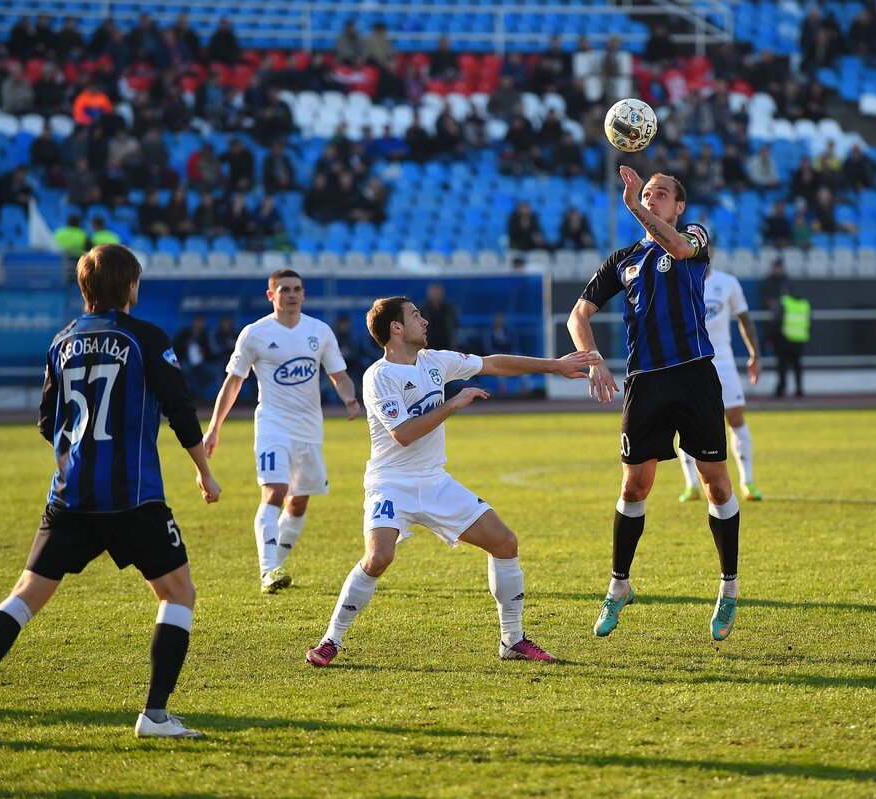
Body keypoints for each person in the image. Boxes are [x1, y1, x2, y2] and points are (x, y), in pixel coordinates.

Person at [0, 244, 221, 737]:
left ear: (84, 286)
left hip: (69, 496)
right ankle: (154, 716)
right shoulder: (146, 337)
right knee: (178, 594)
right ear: (130, 286)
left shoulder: (61, 341)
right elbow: (179, 407)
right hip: (133, 497)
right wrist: (205, 472)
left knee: (24, 596)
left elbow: (48, 422)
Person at [305, 297, 600, 667]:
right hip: (390, 484)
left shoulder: (434, 362)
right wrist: (454, 403)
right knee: (379, 557)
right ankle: (331, 640)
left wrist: (554, 366)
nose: (425, 321)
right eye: (415, 316)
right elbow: (405, 434)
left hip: (434, 481)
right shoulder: (378, 377)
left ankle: (512, 639)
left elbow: (492, 364)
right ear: (396, 328)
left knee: (505, 542)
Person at [567, 166, 742, 642]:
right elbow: (578, 314)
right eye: (647, 193)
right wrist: (593, 360)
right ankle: (619, 585)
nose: (652, 197)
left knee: (717, 485)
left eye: (661, 194)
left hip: (694, 374)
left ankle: (728, 586)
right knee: (634, 487)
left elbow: (680, 249)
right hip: (644, 382)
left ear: (679, 207)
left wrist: (635, 208)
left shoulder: (693, 237)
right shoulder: (622, 259)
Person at [203, 270, 361, 594]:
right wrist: (214, 428)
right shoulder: (255, 333)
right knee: (275, 491)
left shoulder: (320, 331)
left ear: (304, 294)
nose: (292, 294)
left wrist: (350, 398)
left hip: (309, 429)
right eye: (284, 289)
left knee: (298, 504)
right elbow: (233, 382)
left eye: (297, 289)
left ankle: (278, 564)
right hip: (273, 424)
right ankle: (269, 571)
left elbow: (339, 375)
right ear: (270, 295)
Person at [677, 265, 764, 503]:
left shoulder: (727, 282)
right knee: (685, 423)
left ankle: (747, 480)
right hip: (688, 363)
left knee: (735, 419)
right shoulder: (677, 279)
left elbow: (743, 318)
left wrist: (754, 354)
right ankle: (691, 485)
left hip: (722, 363)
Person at [775, 287, 810, 397]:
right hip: (800, 339)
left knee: (782, 366)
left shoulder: (784, 303)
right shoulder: (805, 304)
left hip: (785, 339)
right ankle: (799, 389)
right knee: (797, 366)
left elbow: (777, 321)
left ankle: (781, 389)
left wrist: (771, 338)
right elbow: (810, 322)